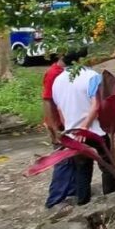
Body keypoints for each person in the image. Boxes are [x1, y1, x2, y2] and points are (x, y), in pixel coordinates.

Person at [52, 52, 115, 206]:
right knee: (108, 167)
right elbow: (96, 105)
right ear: (82, 59)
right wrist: (84, 127)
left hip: (73, 134)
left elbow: (60, 110)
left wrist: (71, 129)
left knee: (82, 169)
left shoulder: (58, 81)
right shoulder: (91, 76)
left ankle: (83, 203)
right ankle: (112, 202)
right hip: (95, 131)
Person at [42, 55, 75, 208]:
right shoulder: (54, 74)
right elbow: (47, 101)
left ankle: (72, 191)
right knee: (63, 160)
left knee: (73, 159)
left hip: (68, 122)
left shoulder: (66, 71)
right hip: (59, 124)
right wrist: (53, 127)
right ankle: (55, 198)